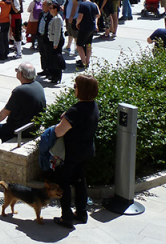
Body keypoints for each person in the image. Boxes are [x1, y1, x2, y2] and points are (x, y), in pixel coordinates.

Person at [0, 62, 46, 170]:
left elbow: (5, 111)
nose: (16, 72)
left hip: (19, 129)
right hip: (32, 127)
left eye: (17, 70)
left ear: (21, 74)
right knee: (2, 131)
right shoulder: (38, 85)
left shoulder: (19, 90)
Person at [52, 75, 100, 229]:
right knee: (80, 181)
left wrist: (61, 121)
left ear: (82, 89)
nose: (74, 88)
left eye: (75, 86)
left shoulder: (75, 110)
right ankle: (81, 213)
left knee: (64, 183)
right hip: (86, 152)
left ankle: (66, 216)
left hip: (71, 154)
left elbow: (59, 132)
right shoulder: (94, 106)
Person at [75, 0, 98, 69]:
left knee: (79, 45)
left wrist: (77, 23)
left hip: (84, 27)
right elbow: (98, 15)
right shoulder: (94, 4)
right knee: (88, 44)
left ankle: (83, 61)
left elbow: (80, 16)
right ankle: (87, 61)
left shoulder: (83, 5)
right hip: (92, 27)